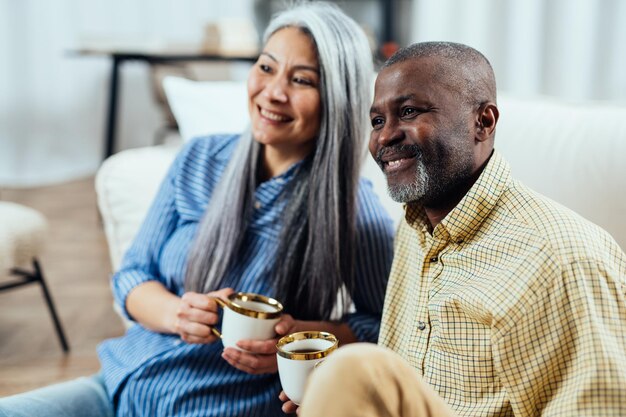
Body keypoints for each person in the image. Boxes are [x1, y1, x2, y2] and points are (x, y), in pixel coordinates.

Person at [0, 3, 394, 417]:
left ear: (337, 97)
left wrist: (299, 338)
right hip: (119, 387)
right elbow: (132, 276)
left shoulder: (354, 211)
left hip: (217, 406)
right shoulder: (198, 159)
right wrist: (176, 314)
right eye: (266, 67)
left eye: (301, 80)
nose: (273, 91)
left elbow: (384, 325)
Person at [282, 41, 626, 416]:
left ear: (484, 122)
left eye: (409, 111)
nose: (384, 137)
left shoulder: (562, 259)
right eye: (377, 121)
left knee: (352, 370)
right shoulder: (413, 228)